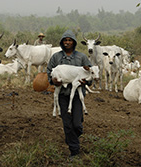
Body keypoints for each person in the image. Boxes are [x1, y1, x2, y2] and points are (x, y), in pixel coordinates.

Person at [47, 30, 92, 159]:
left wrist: (86, 82)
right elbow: (49, 70)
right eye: (65, 40)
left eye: (70, 40)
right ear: (62, 42)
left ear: (74, 42)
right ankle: (74, 150)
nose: (67, 42)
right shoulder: (56, 57)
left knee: (77, 125)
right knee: (67, 123)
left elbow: (91, 73)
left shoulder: (82, 57)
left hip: (77, 96)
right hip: (62, 94)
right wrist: (53, 80)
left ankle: (73, 135)